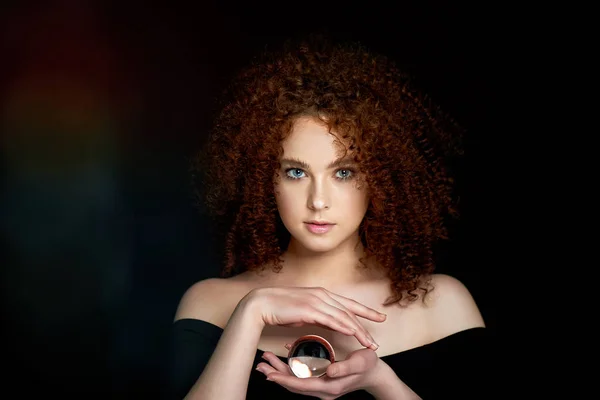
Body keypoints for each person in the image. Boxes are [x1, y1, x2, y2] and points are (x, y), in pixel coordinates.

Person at [166, 35, 488, 399]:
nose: (318, 201)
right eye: (296, 172)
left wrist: (383, 381)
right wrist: (252, 312)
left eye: (344, 173)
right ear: (266, 179)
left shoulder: (441, 303)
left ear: (379, 179)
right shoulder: (210, 303)